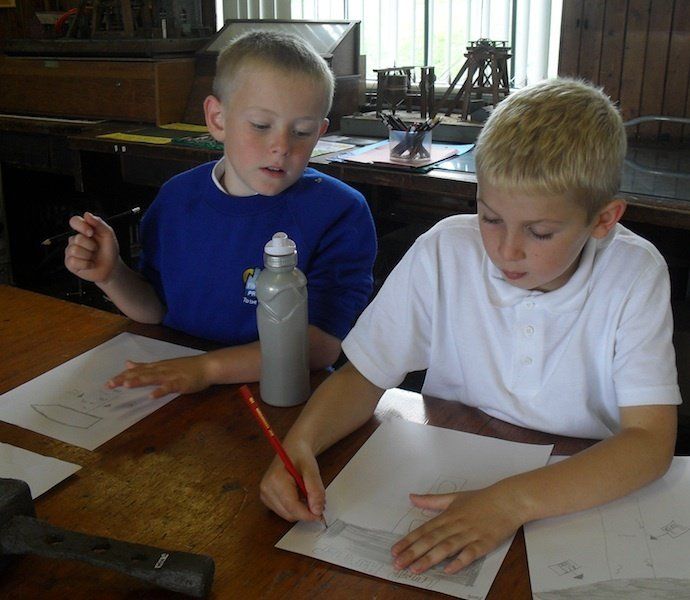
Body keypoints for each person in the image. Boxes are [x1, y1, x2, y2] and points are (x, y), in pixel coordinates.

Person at [259, 78, 681, 576]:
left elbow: (650, 441)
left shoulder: (633, 272)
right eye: (490, 218)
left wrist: (509, 502)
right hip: (450, 470)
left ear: (603, 220)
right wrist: (301, 444)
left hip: (575, 494)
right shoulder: (445, 251)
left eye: (540, 232)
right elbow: (363, 376)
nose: (506, 249)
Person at [64, 31, 377, 397]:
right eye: (261, 126)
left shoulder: (339, 212)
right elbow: (157, 309)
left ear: (320, 132)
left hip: (279, 393)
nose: (281, 147)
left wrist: (207, 368)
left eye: (302, 132)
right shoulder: (176, 198)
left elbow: (320, 345)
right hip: (179, 378)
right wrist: (112, 275)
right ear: (217, 119)